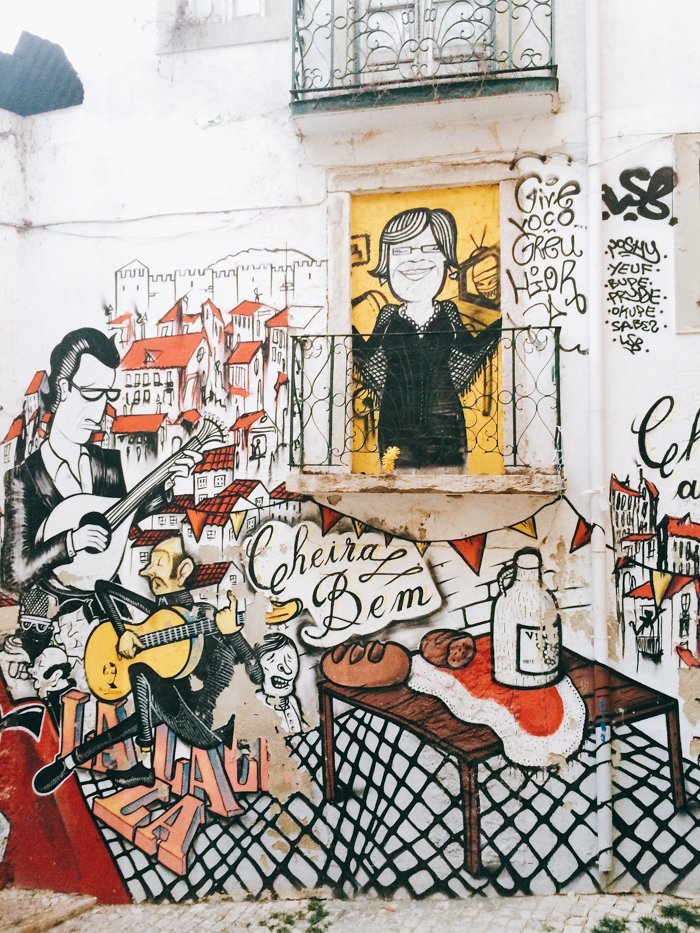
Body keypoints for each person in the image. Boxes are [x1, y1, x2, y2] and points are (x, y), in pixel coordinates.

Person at [1, 327, 198, 661]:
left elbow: (120, 517)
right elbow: (13, 573)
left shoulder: (106, 464)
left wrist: (167, 486)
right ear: (63, 388)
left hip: (109, 621)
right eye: (92, 393)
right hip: (49, 633)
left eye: (108, 394)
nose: (99, 411)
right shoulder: (24, 478)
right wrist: (71, 542)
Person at [33, 535, 262, 794]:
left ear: (183, 571)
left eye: (159, 563)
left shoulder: (205, 616)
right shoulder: (160, 616)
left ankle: (144, 760)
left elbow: (256, 673)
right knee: (125, 724)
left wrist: (233, 634)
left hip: (201, 721)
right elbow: (103, 588)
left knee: (139, 671)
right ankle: (69, 762)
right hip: (169, 702)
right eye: (150, 563)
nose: (148, 571)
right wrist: (123, 633)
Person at [353, 207, 501, 469]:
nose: (415, 259)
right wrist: (345, 325)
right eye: (402, 250)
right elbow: (368, 356)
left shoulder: (448, 311)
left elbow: (470, 350)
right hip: (395, 423)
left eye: (429, 248)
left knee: (450, 480)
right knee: (394, 482)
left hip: (445, 425)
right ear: (387, 262)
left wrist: (503, 323)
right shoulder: (388, 315)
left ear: (446, 260)